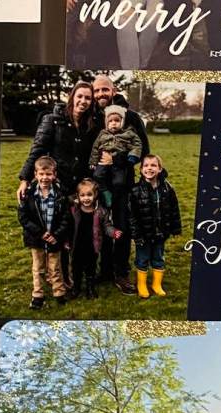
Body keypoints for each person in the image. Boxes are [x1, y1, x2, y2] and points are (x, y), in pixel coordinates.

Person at [18, 81, 98, 289]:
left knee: (75, 233)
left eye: (88, 98)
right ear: (72, 97)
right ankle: (61, 279)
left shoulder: (91, 124)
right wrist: (25, 179)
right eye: (80, 96)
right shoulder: (52, 120)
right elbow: (37, 149)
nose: (83, 101)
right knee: (59, 233)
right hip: (58, 186)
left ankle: (75, 274)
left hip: (79, 187)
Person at [92, 75, 149, 295]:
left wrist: (116, 160)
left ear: (113, 90)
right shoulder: (95, 117)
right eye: (97, 91)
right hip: (100, 185)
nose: (100, 95)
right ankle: (105, 270)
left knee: (122, 227)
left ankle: (121, 272)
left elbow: (143, 149)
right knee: (103, 226)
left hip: (123, 184)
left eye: (104, 90)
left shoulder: (132, 117)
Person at [18, 156, 72, 309]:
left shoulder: (61, 195)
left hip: (55, 238)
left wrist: (56, 235)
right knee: (38, 268)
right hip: (37, 239)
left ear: (54, 175)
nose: (45, 178)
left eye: (48, 174)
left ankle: (59, 292)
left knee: (55, 267)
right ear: (35, 174)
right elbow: (23, 218)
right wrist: (41, 233)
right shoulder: (28, 195)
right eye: (41, 174)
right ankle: (38, 295)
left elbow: (65, 218)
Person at [128, 154, 182, 299]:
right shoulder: (136, 191)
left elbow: (174, 209)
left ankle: (156, 285)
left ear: (159, 169)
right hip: (144, 234)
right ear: (140, 170)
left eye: (153, 165)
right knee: (142, 259)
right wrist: (136, 234)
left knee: (158, 258)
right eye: (146, 166)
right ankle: (141, 284)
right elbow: (132, 216)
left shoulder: (167, 188)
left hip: (161, 232)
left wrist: (176, 228)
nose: (149, 168)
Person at [69, 178, 121, 299]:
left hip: (92, 246)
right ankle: (76, 288)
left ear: (95, 195)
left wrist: (113, 232)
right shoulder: (74, 210)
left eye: (89, 195)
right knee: (76, 268)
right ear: (78, 196)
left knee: (90, 268)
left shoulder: (101, 211)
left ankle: (90, 288)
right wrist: (67, 242)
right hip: (77, 245)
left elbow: (107, 225)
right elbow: (69, 228)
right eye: (82, 195)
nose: (86, 198)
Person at [90, 104, 142, 206]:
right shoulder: (102, 134)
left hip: (118, 163)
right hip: (103, 160)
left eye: (117, 121)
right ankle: (105, 192)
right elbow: (95, 148)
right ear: (106, 123)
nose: (114, 123)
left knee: (119, 182)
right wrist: (93, 161)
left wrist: (132, 156)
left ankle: (116, 199)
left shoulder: (128, 133)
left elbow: (137, 144)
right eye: (111, 121)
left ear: (122, 122)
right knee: (96, 175)